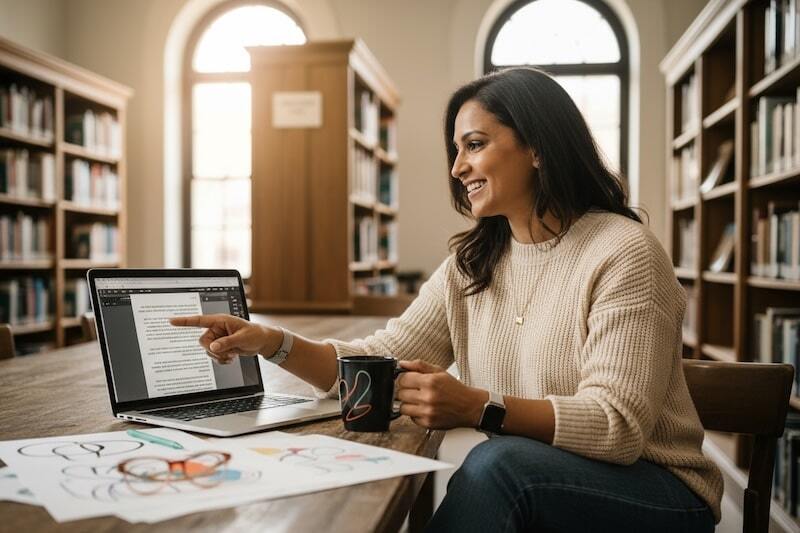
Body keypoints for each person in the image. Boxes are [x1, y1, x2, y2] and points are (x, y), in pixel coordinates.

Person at [171, 67, 722, 532]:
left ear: (537, 147)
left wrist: (478, 406)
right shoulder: (473, 262)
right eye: (456, 151)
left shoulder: (624, 251)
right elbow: (379, 361)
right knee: (493, 464)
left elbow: (617, 427)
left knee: (497, 466)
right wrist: (273, 343)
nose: (457, 168)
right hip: (538, 474)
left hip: (657, 489)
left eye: (475, 145)